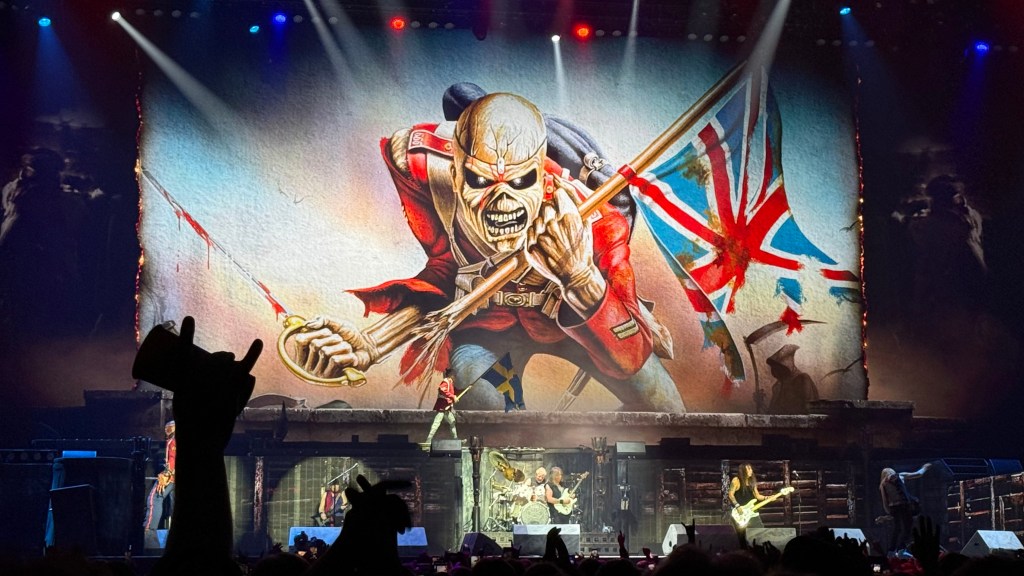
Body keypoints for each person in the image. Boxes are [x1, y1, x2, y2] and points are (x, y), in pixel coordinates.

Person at [289, 90, 684, 413]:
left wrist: (580, 279)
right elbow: (449, 276)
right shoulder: (427, 175)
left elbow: (628, 356)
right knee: (493, 414)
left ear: (542, 177)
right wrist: (371, 343)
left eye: (520, 182)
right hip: (491, 336)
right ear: (456, 174)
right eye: (480, 180)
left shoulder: (597, 222)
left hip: (576, 332)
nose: (502, 201)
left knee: (666, 410)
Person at [880, 462, 931, 555]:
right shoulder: (900, 475)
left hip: (894, 508)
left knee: (897, 529)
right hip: (904, 505)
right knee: (907, 528)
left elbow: (885, 502)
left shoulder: (882, 484)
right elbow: (918, 474)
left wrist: (889, 513)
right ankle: (901, 549)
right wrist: (925, 467)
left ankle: (891, 550)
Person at [143, 420, 177, 549]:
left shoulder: (173, 441)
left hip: (171, 476)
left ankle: (149, 533)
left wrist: (167, 473)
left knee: (155, 498)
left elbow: (173, 458)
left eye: (169, 428)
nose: (166, 431)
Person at [766, 344, 819, 415]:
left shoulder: (802, 379)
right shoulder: (778, 386)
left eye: (777, 368)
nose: (775, 372)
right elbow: (774, 411)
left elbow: (808, 408)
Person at [728, 463, 765, 547]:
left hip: (752, 511)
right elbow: (730, 494)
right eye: (749, 469)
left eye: (751, 469)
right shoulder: (736, 480)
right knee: (742, 537)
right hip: (740, 513)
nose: (751, 471)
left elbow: (757, 496)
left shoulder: (752, 481)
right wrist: (737, 506)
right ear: (743, 471)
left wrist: (768, 497)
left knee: (761, 532)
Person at [424, 368, 458, 446]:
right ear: (451, 375)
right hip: (442, 407)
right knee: (436, 423)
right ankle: (428, 440)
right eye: (454, 375)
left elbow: (456, 391)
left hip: (446, 408)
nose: (455, 377)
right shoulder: (446, 381)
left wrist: (466, 390)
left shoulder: (451, 383)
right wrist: (453, 396)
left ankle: (456, 439)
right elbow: (442, 390)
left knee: (452, 422)